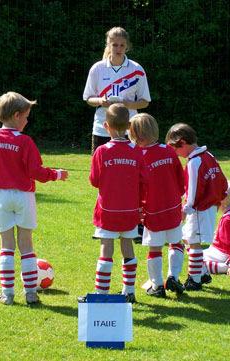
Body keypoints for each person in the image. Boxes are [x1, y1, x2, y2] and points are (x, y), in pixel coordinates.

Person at [0, 91, 69, 306]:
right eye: (26, 116)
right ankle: (31, 293)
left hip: (1, 197)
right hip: (24, 196)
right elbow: (36, 171)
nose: (27, 120)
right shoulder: (25, 142)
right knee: (26, 244)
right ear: (16, 115)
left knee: (6, 245)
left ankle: (7, 294)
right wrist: (57, 174)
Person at [82, 103, 145, 303]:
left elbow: (94, 181)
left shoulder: (101, 152)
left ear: (106, 126)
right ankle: (129, 291)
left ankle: (101, 293)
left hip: (107, 210)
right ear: (128, 126)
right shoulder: (137, 151)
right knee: (128, 247)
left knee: (106, 249)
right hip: (130, 211)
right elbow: (144, 180)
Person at [129, 113, 186, 298]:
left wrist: (137, 209)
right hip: (173, 207)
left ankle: (157, 285)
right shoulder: (169, 150)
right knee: (176, 243)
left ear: (137, 135)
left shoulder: (137, 155)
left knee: (155, 248)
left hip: (152, 210)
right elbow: (180, 178)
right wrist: (179, 197)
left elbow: (136, 186)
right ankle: (173, 276)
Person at [165, 123, 228, 291]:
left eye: (175, 149)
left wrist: (186, 209)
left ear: (183, 143)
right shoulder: (209, 155)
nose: (176, 154)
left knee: (193, 242)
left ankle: (194, 280)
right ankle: (203, 272)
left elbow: (192, 190)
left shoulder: (194, 162)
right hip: (209, 206)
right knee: (189, 239)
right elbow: (222, 181)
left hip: (198, 209)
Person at [83, 26, 151, 154]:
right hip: (102, 127)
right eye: (115, 45)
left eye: (122, 45)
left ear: (127, 46)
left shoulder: (137, 69)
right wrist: (100, 101)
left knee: (131, 169)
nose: (118, 49)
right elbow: (88, 98)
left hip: (130, 128)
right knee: (101, 169)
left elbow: (145, 101)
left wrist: (127, 104)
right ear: (108, 45)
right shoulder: (97, 68)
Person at [201, 181, 230, 281]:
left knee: (196, 259)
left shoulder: (228, 220)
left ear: (221, 200)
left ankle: (226, 267)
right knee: (198, 255)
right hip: (223, 251)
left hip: (222, 253)